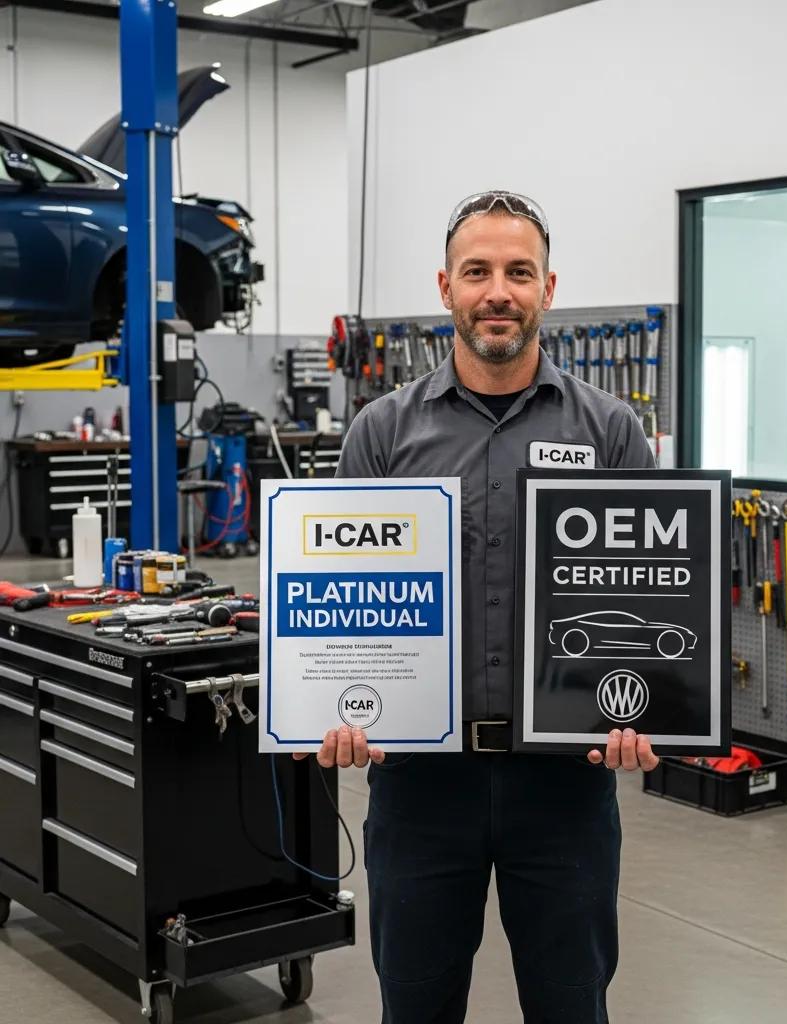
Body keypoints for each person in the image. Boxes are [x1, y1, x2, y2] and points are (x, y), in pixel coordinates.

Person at [298, 190, 660, 1023]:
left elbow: (644, 597)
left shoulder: (610, 432)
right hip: (420, 784)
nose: (499, 292)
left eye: (519, 272)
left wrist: (646, 711)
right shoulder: (382, 433)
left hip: (565, 786)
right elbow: (344, 603)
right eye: (478, 272)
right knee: (416, 1008)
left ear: (548, 289)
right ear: (446, 287)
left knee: (571, 1008)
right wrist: (336, 706)